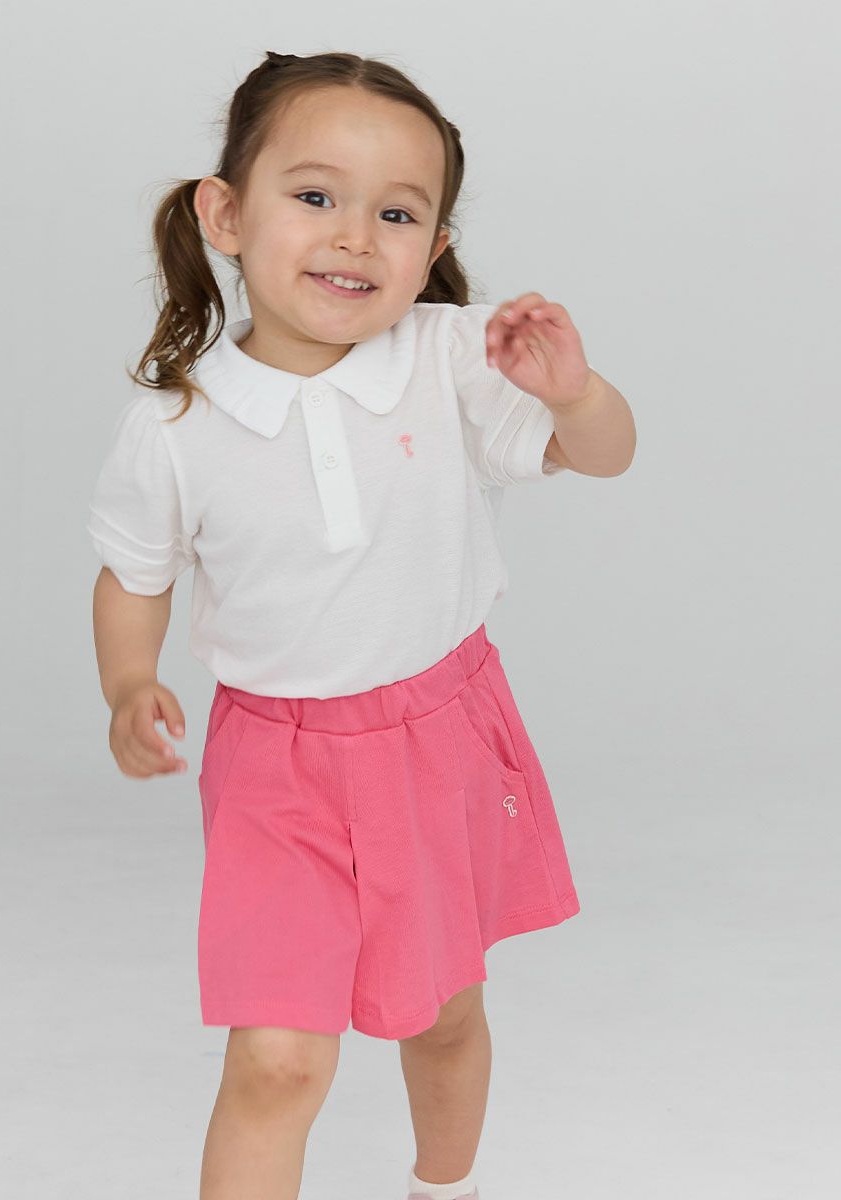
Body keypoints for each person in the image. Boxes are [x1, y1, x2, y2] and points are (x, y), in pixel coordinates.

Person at [86, 48, 635, 1200]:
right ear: (226, 215)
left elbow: (601, 456)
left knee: (441, 1014)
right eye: (314, 195)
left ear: (431, 249)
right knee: (276, 1061)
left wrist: (575, 394)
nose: (353, 237)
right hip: (274, 769)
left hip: (438, 739)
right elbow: (133, 575)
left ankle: (445, 1187)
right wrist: (129, 683)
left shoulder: (449, 357)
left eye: (395, 213)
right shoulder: (178, 424)